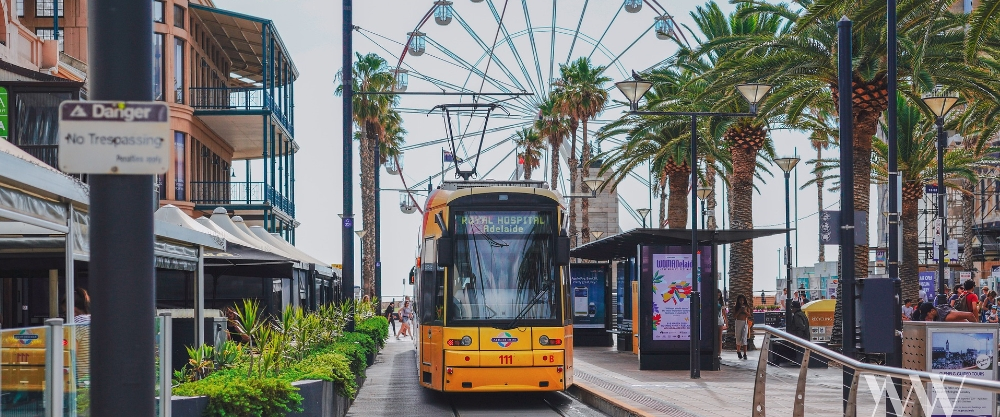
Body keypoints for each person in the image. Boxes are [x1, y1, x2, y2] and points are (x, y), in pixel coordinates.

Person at [912, 302, 978, 322]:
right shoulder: (937, 311)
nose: (926, 318)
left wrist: (976, 330)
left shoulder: (946, 317)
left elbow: (970, 315)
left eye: (927, 315)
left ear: (932, 311)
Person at [733, 295, 751, 360]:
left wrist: (745, 311)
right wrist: (739, 311)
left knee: (744, 338)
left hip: (744, 322)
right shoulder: (736, 307)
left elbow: (749, 315)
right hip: (738, 322)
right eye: (740, 300)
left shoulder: (747, 307)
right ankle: (738, 351)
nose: (742, 302)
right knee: (738, 337)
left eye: (743, 300)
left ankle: (745, 353)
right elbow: (735, 316)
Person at [716, 290, 728, 360]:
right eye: (717, 295)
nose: (718, 297)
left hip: (720, 321)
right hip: (714, 321)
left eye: (719, 295)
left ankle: (719, 353)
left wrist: (726, 321)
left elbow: (724, 313)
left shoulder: (721, 303)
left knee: (719, 338)